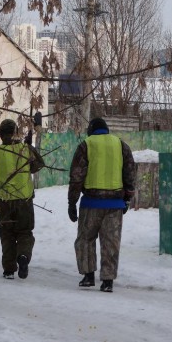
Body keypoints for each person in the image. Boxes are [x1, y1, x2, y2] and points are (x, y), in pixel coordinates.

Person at [68, 117, 136, 293]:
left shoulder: (86, 145)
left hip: (91, 203)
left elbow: (76, 177)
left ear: (91, 130)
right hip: (114, 205)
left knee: (85, 240)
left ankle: (88, 276)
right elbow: (130, 173)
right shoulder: (121, 145)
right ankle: (108, 281)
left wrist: (72, 202)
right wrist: (127, 197)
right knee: (111, 242)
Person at [0, 119, 45, 279]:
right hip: (24, 200)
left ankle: (9, 269)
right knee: (25, 233)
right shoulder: (25, 149)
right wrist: (29, 150)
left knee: (7, 235)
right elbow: (39, 165)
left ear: (2, 135)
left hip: (4, 200)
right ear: (16, 134)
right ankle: (23, 257)